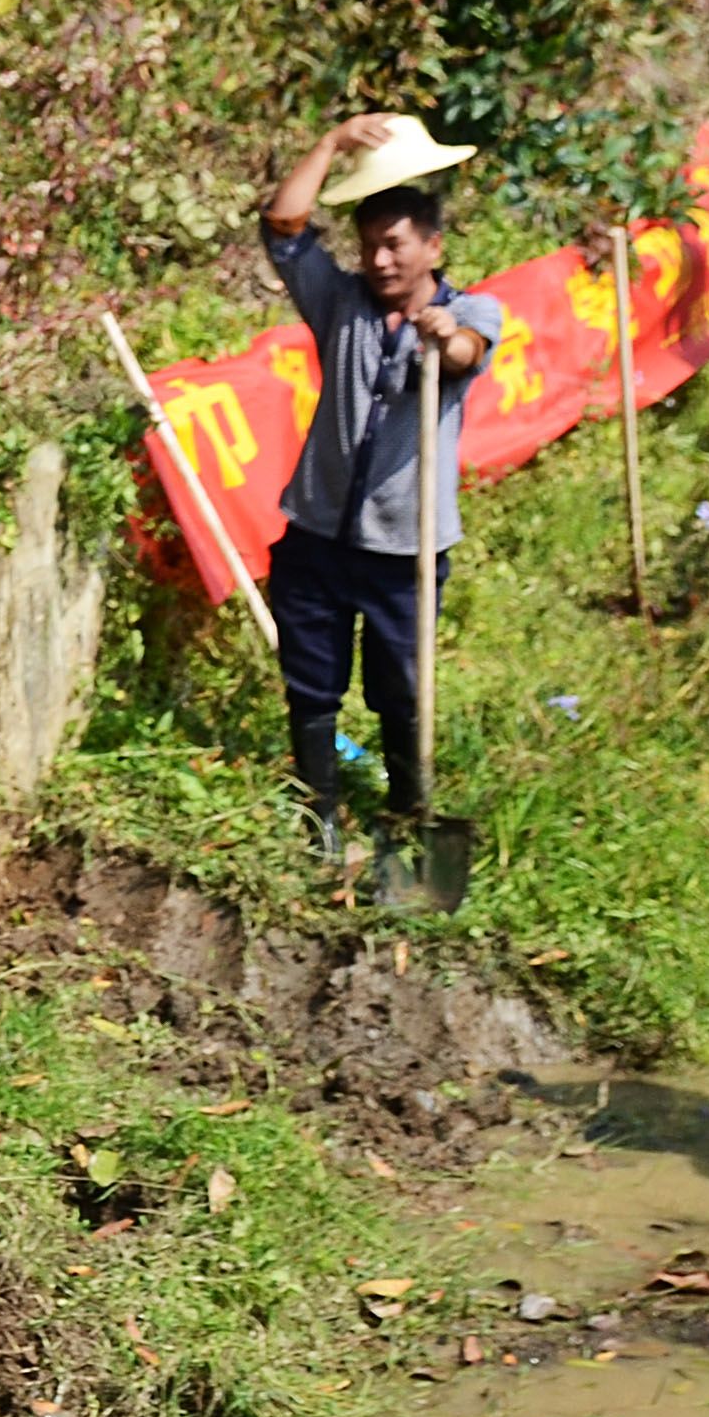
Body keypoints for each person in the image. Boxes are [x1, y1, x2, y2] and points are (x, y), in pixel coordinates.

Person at [248, 109, 507, 865]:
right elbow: (284, 226)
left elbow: (468, 351)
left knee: (400, 689)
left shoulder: (470, 310)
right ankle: (319, 813)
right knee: (311, 680)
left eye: (395, 245)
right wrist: (330, 143)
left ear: (433, 246)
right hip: (318, 534)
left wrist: (443, 338)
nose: (381, 261)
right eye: (369, 247)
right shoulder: (341, 304)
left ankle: (407, 815)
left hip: (405, 548)